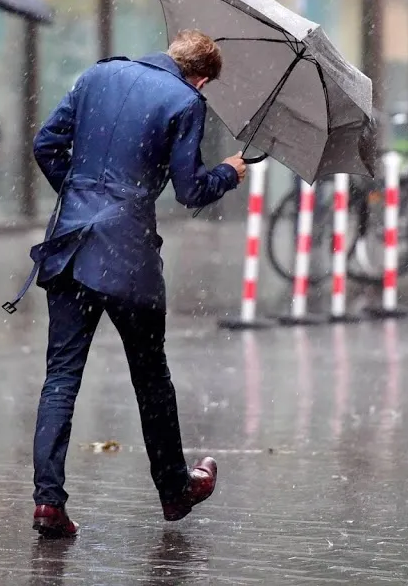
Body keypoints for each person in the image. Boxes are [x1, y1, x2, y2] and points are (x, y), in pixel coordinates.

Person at [21, 30, 248, 538]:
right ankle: (174, 491)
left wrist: (83, 197)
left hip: (71, 247)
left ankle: (48, 504)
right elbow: (191, 190)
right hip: (128, 257)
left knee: (61, 377)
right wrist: (230, 172)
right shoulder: (186, 101)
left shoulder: (98, 73)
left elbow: (45, 145)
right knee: (150, 378)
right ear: (203, 77)